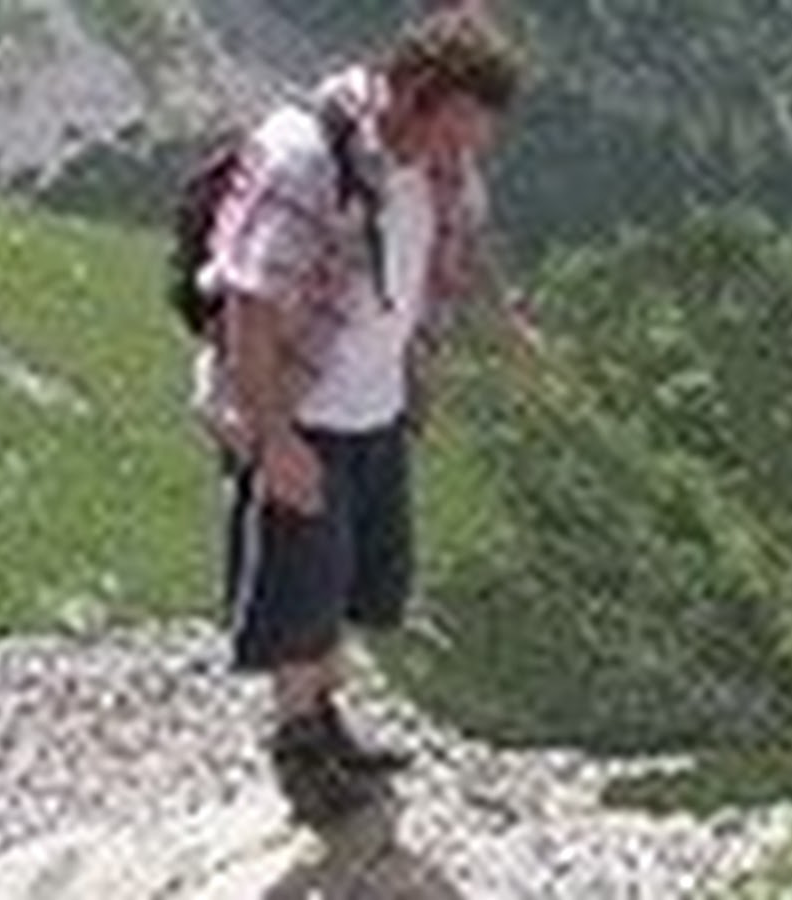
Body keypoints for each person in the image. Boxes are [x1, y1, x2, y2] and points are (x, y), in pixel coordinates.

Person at [192, 10, 525, 825]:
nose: (462, 154)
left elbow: (466, 236)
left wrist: (505, 317)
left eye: (475, 137)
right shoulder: (305, 157)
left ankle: (326, 721)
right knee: (301, 590)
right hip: (300, 409)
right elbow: (248, 301)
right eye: (453, 132)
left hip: (377, 408)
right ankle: (299, 749)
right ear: (411, 93)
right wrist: (274, 439)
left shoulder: (440, 162)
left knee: (349, 579)